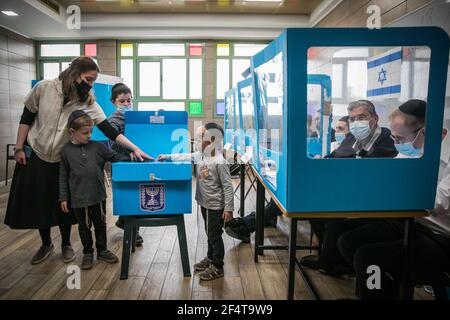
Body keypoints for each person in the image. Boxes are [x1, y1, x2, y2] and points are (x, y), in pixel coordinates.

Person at [4, 56, 152, 265]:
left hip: (62, 157)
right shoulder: (44, 88)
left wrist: (135, 148)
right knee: (40, 203)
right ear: (74, 74)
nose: (91, 84)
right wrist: (19, 148)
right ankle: (46, 243)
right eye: (89, 79)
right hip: (37, 152)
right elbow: (26, 118)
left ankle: (66, 244)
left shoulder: (88, 101)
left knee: (62, 205)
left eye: (93, 80)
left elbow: (109, 131)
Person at [337, 99, 450, 299]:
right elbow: (392, 178)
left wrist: (394, 188)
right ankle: (379, 294)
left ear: (425, 133)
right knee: (347, 241)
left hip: (438, 237)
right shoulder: (412, 147)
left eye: (400, 138)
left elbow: (439, 202)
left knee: (368, 257)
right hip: (410, 223)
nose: (396, 144)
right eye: (394, 138)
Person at [301, 99, 398, 276]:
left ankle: (335, 262)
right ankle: (332, 258)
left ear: (375, 118)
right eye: (352, 119)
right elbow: (335, 156)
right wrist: (321, 163)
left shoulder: (387, 141)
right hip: (343, 190)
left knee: (332, 221)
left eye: (361, 117)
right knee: (311, 211)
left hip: (369, 200)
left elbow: (369, 173)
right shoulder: (352, 137)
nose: (355, 123)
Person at [157, 123, 234, 281]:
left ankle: (218, 266)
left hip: (215, 206)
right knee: (209, 233)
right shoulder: (201, 155)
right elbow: (185, 156)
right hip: (204, 203)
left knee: (214, 235)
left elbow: (228, 187)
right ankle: (210, 258)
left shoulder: (219, 161)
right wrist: (168, 156)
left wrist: (229, 209)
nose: (197, 141)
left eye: (201, 138)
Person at [60, 110, 130, 269]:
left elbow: (115, 157)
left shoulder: (97, 147)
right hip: (78, 199)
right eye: (85, 133)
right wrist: (63, 197)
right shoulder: (65, 151)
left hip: (98, 196)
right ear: (72, 132)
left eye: (91, 131)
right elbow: (63, 176)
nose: (89, 135)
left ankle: (103, 250)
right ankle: (88, 252)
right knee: (84, 226)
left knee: (101, 223)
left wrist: (132, 155)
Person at [106, 83, 144, 246]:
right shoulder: (112, 121)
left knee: (137, 195)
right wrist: (127, 151)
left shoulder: (135, 117)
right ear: (113, 102)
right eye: (123, 101)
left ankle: (127, 224)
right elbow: (112, 142)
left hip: (136, 162)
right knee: (129, 196)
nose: (127, 104)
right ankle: (132, 231)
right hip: (123, 163)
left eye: (129, 100)